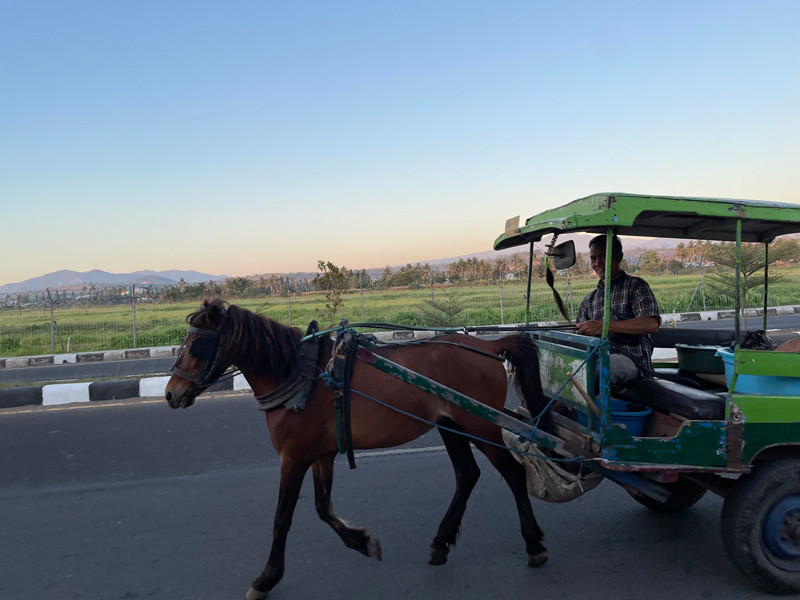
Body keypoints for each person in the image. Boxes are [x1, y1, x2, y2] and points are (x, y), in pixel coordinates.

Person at [576, 234, 661, 385]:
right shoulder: (589, 299)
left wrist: (603, 326)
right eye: (593, 258)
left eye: (603, 257)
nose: (597, 263)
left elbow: (651, 324)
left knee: (609, 365)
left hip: (634, 364)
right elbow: (580, 335)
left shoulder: (636, 286)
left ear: (618, 256)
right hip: (598, 360)